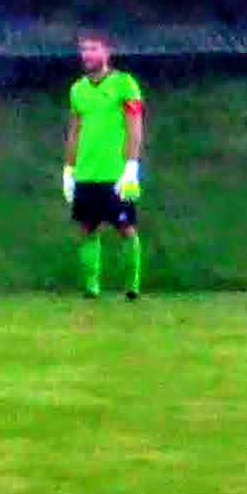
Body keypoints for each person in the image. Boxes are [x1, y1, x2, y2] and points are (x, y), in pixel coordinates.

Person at [62, 29, 145, 300]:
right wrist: (69, 170)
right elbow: (75, 130)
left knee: (126, 229)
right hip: (86, 173)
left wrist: (131, 167)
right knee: (87, 228)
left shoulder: (124, 83)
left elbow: (135, 126)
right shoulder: (77, 89)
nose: (87, 54)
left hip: (116, 173)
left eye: (93, 48)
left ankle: (132, 287)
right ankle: (91, 288)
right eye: (84, 49)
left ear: (107, 52)